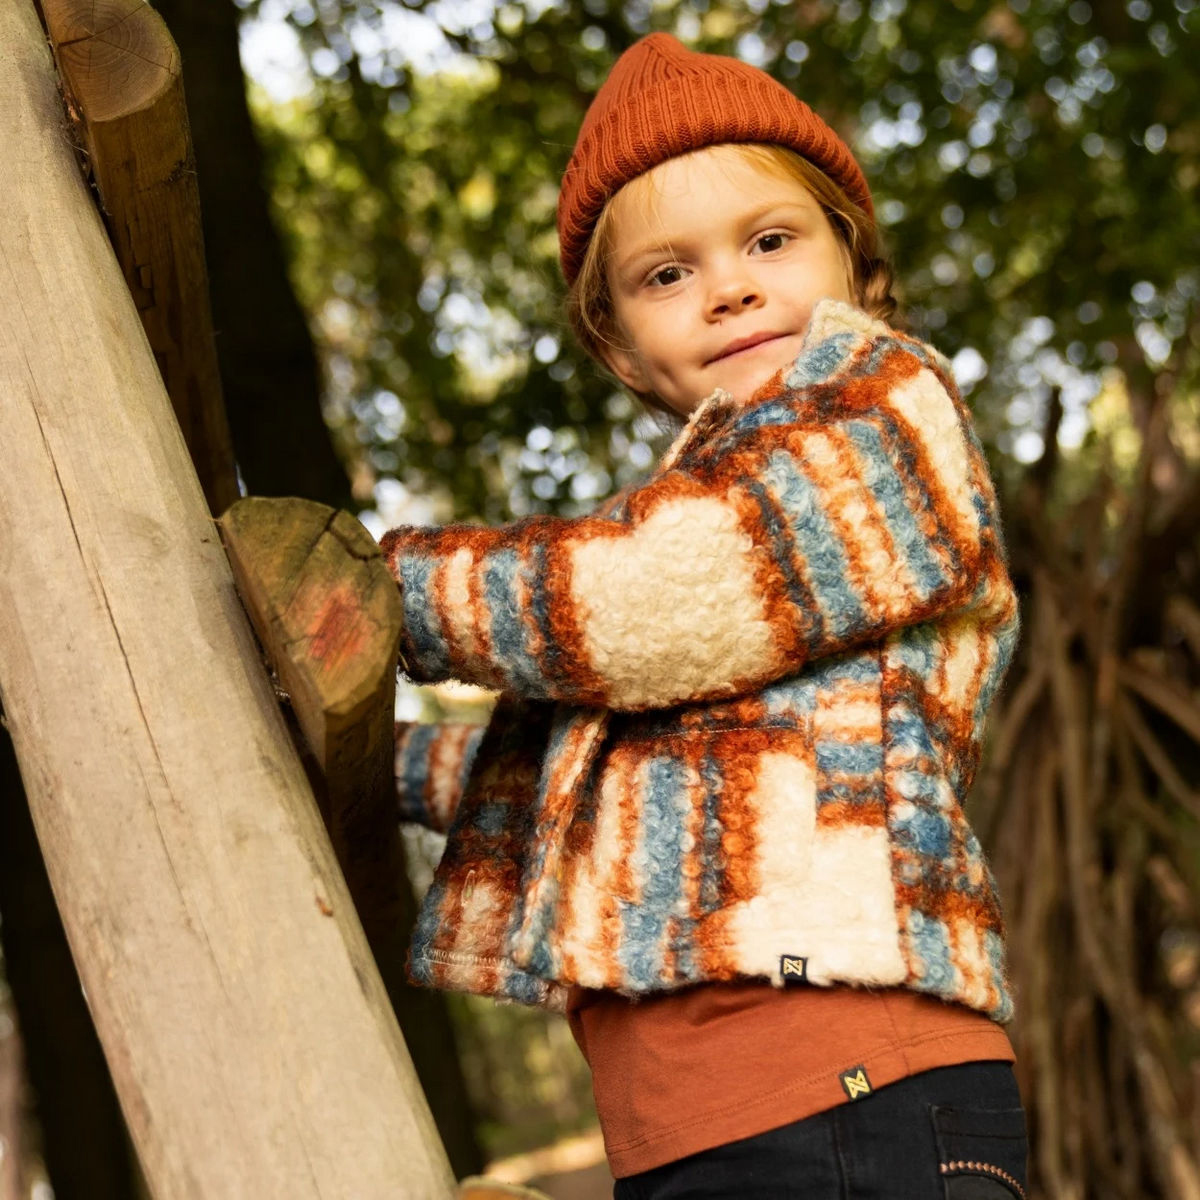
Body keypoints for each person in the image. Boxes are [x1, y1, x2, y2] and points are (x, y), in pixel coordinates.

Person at [383, 32, 1028, 1200]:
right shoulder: (709, 527)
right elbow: (612, 776)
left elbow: (628, 606)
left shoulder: (880, 415)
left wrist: (378, 593)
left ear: (858, 266)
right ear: (621, 346)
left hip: (852, 1095)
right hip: (701, 1129)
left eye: (770, 241)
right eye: (665, 274)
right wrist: (388, 765)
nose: (728, 285)